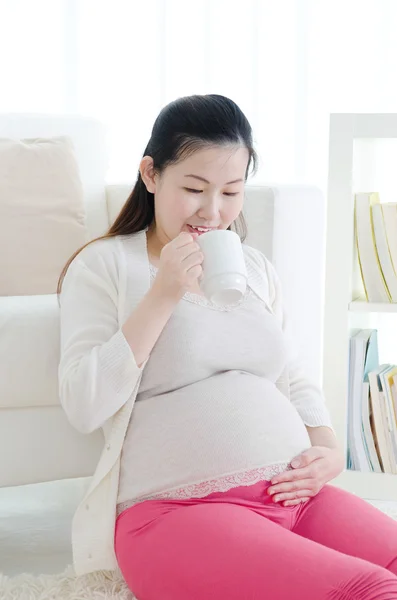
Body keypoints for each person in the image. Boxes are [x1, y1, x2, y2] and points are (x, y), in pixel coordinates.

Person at [58, 94, 397, 600]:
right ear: (150, 174)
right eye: (194, 188)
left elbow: (292, 376)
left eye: (231, 192)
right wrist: (164, 292)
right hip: (176, 513)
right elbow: (84, 403)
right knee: (369, 590)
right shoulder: (105, 266)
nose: (213, 212)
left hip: (296, 496)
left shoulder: (254, 268)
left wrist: (326, 450)